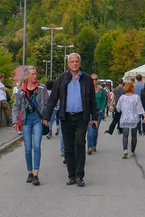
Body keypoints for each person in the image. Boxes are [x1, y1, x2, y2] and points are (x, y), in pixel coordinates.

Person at [42, 53, 98, 188]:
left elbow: (92, 100)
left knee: (79, 143)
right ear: (68, 64)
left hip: (81, 117)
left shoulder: (86, 79)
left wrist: (95, 117)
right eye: (72, 61)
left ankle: (79, 176)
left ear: (80, 63)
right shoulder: (61, 79)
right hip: (66, 117)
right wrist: (46, 117)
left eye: (77, 61)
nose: (74, 64)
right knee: (68, 147)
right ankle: (71, 175)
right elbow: (53, 99)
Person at [11, 68, 48, 186]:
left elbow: (47, 104)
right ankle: (29, 172)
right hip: (26, 121)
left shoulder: (42, 88)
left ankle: (36, 174)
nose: (35, 76)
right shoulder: (21, 91)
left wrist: (46, 118)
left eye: (36, 74)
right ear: (27, 76)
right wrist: (15, 121)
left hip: (38, 120)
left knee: (37, 146)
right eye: (32, 74)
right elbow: (16, 106)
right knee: (28, 148)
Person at [117, 81, 145, 158]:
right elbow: (139, 108)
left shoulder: (122, 97)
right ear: (132, 89)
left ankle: (125, 150)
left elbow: (118, 108)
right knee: (134, 136)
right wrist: (144, 115)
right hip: (133, 118)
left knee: (125, 136)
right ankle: (132, 151)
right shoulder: (136, 97)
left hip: (125, 118)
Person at [87, 73, 107, 155]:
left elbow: (104, 100)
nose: (94, 81)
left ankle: (94, 144)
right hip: (89, 112)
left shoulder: (101, 90)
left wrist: (102, 109)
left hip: (98, 112)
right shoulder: (87, 90)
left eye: (96, 79)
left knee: (95, 130)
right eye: (92, 79)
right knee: (90, 130)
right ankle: (89, 147)